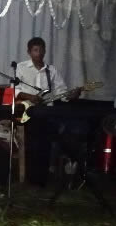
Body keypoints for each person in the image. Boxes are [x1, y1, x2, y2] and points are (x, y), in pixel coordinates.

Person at [15, 37, 80, 186]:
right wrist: (30, 96)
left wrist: (72, 95)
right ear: (29, 52)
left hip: (46, 112)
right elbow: (15, 90)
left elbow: (62, 92)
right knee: (32, 144)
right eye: (35, 50)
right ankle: (30, 179)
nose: (39, 53)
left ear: (45, 51)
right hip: (27, 111)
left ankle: (42, 179)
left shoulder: (51, 70)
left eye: (41, 50)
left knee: (45, 144)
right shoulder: (21, 67)